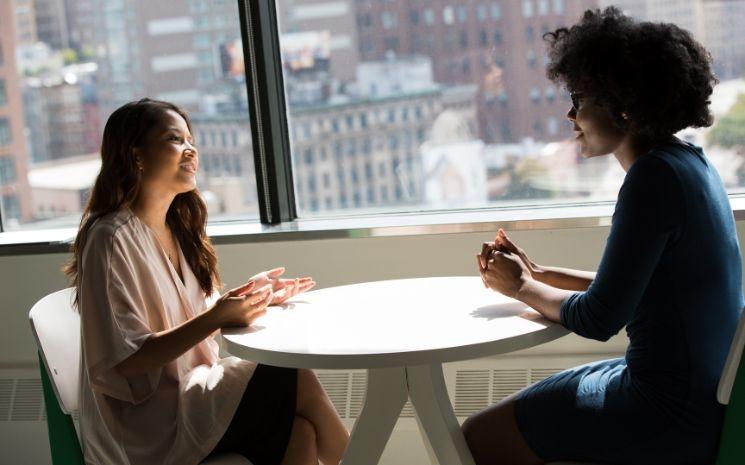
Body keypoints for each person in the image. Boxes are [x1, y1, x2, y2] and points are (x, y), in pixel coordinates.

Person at [462, 7, 744, 465]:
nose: (570, 113)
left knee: (478, 436)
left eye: (580, 97)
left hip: (666, 413)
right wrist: (540, 273)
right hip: (700, 399)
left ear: (622, 104)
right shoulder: (690, 163)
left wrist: (520, 287)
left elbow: (599, 319)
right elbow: (640, 287)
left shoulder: (652, 180)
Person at [64, 98, 349, 465]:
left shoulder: (177, 230)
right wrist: (217, 317)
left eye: (190, 140)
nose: (191, 149)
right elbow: (124, 363)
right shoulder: (111, 237)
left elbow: (191, 317)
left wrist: (251, 297)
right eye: (174, 139)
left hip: (190, 396)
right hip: (146, 427)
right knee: (293, 377)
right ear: (136, 155)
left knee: (302, 434)